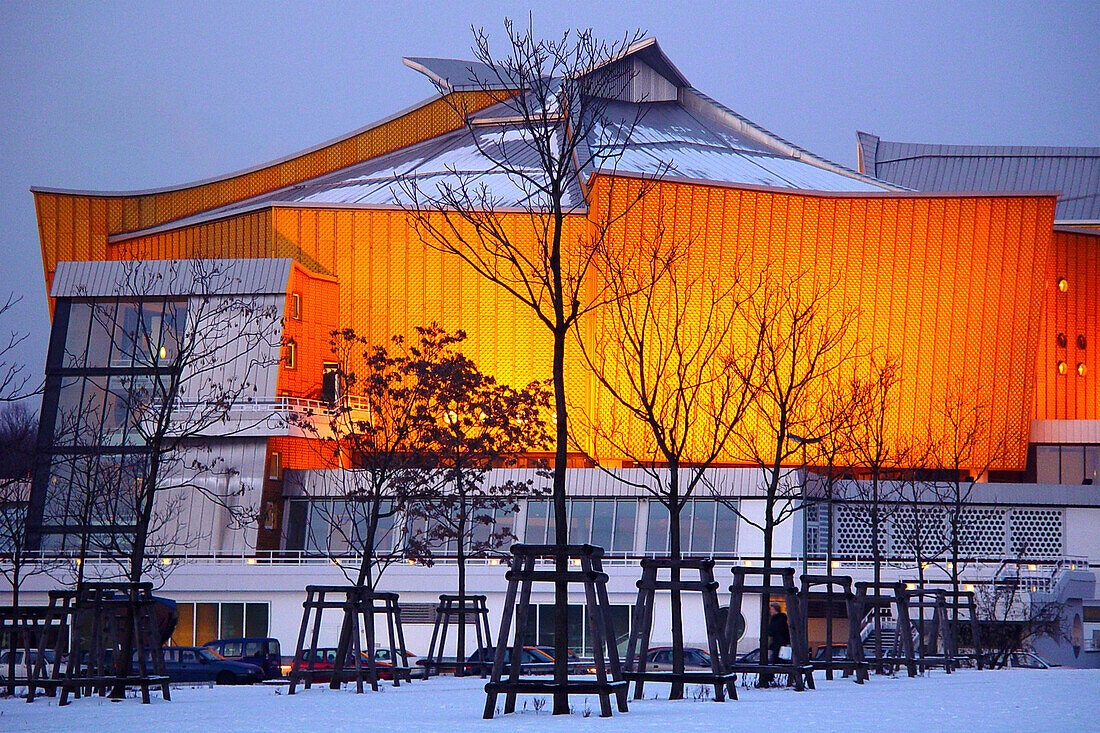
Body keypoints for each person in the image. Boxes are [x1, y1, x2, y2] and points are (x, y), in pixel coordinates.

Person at [759, 601, 790, 687]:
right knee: (776, 660)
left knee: (775, 660)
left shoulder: (777, 619)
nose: (770, 611)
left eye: (771, 609)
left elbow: (773, 630)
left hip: (778, 643)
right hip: (779, 642)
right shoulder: (780, 619)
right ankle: (770, 677)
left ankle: (769, 677)